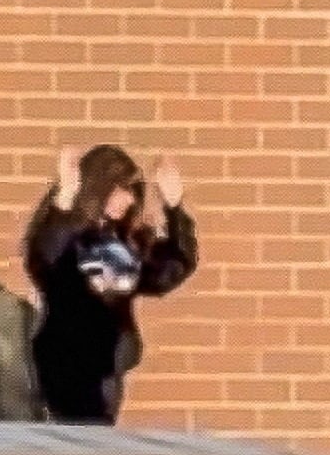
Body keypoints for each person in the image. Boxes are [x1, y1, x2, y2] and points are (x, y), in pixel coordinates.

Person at [22, 144, 198, 424]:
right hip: (62, 368)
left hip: (105, 370)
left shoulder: (123, 242)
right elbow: (45, 260)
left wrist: (176, 209)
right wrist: (67, 196)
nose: (127, 200)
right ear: (98, 187)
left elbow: (170, 270)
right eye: (119, 190)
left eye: (130, 191)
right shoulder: (68, 233)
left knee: (95, 443)